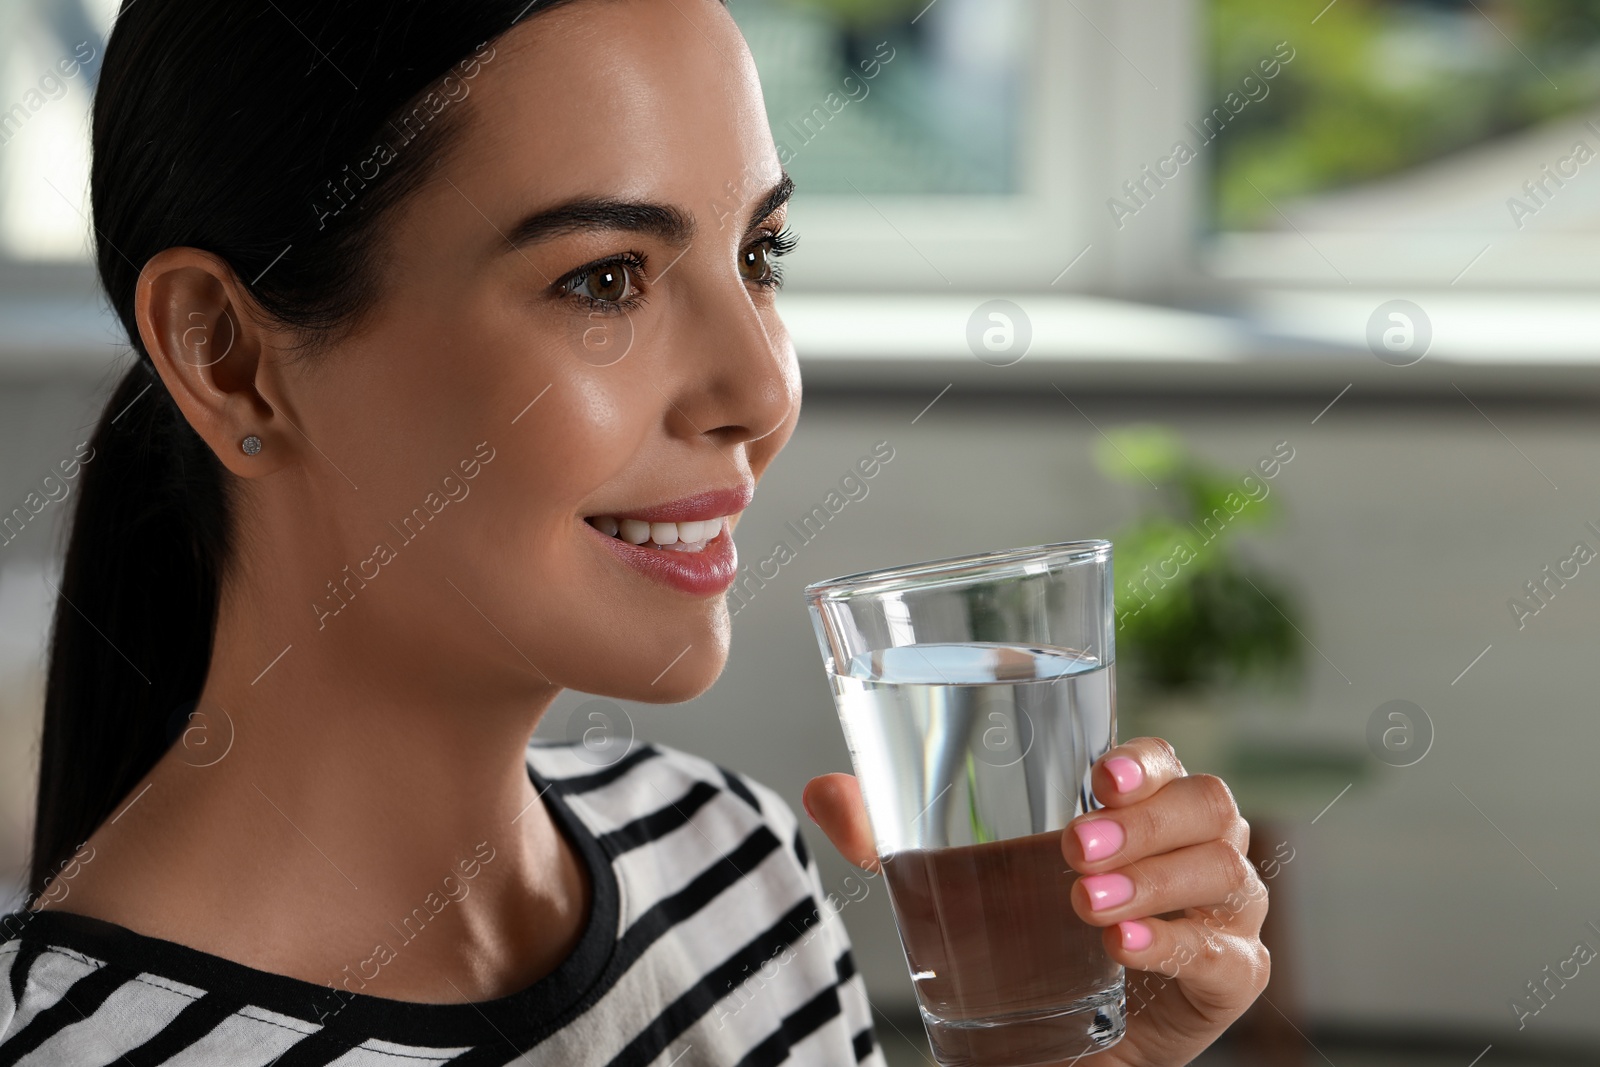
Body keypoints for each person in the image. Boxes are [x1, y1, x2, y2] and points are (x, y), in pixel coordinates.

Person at [0, 0, 1269, 1063]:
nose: (762, 392)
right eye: (604, 278)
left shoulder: (736, 868)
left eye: (761, 253)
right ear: (225, 357)